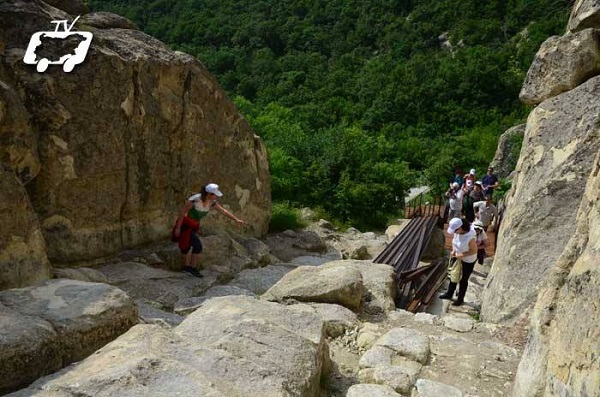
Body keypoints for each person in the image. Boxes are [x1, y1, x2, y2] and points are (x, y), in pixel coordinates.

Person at [174, 183, 246, 277]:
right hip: (185, 225)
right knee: (197, 246)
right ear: (208, 194)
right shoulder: (194, 200)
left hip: (194, 225)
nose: (216, 196)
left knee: (187, 245)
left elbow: (223, 211)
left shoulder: (212, 202)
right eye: (214, 194)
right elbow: (182, 213)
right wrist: (178, 228)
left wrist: (236, 219)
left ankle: (187, 268)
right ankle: (192, 269)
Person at [440, 217, 477, 306]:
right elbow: (454, 242)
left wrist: (463, 255)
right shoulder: (458, 233)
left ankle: (460, 298)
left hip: (467, 261)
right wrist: (453, 250)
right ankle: (449, 293)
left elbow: (474, 250)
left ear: (460, 228)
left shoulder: (470, 237)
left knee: (463, 279)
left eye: (455, 230)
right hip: (457, 257)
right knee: (454, 275)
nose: (454, 232)